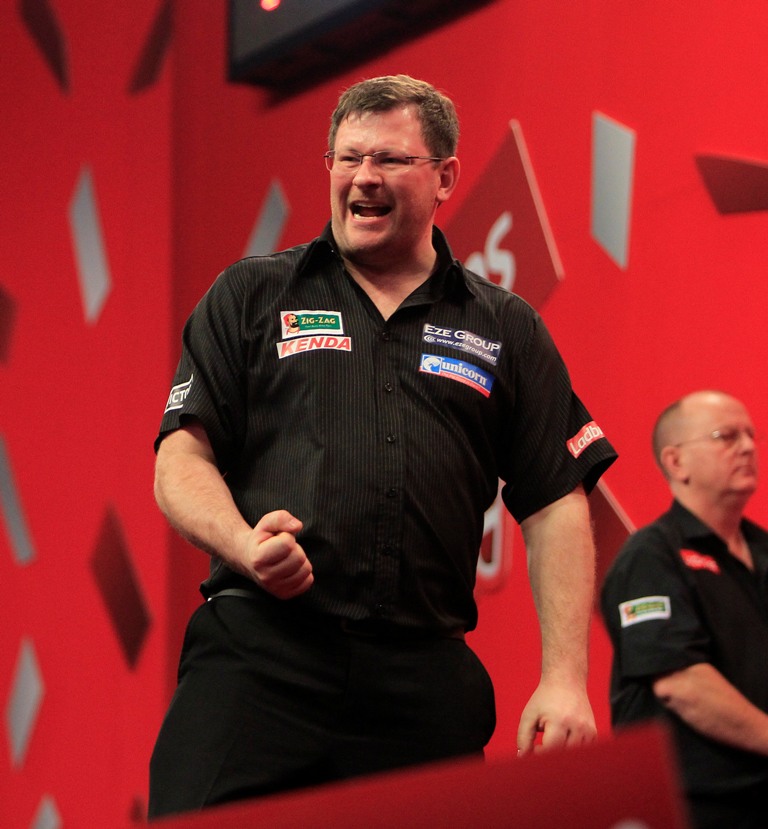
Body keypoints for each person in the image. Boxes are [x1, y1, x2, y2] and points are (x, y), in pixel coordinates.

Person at [148, 74, 617, 819]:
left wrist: (564, 678)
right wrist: (242, 543)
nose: (364, 177)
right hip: (261, 658)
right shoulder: (252, 295)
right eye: (348, 157)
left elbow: (556, 498)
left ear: (445, 178)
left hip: (422, 682)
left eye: (391, 160)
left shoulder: (505, 326)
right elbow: (181, 457)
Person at [601, 390, 768, 829]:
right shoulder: (651, 557)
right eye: (726, 436)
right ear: (675, 462)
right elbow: (682, 685)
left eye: (750, 435)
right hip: (693, 807)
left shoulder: (763, 551)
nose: (748, 447)